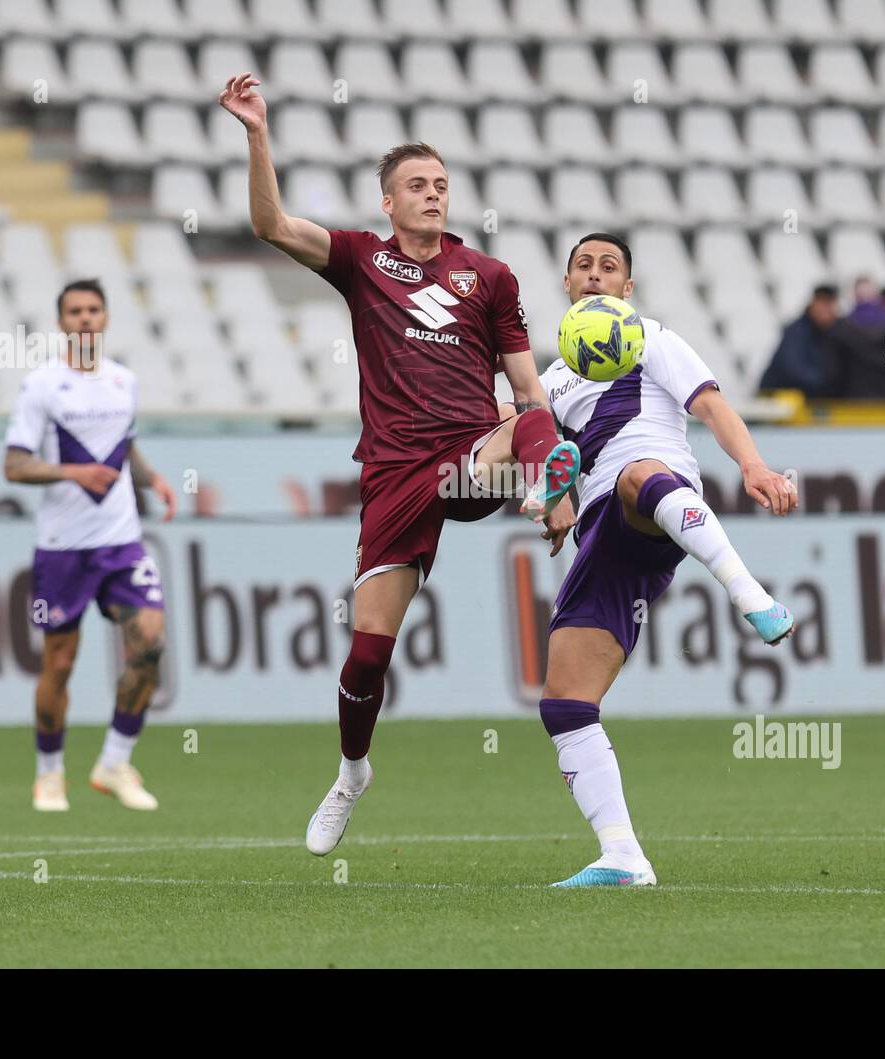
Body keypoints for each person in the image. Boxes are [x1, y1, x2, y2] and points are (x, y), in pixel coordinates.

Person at [218, 73, 580, 856]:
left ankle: (558, 497)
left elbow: (523, 387)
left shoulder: (489, 276)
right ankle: (352, 774)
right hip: (394, 472)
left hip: (470, 454)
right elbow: (271, 223)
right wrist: (256, 132)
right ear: (387, 200)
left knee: (535, 415)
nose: (432, 194)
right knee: (367, 652)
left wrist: (541, 457)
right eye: (416, 184)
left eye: (442, 185)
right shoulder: (358, 260)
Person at [523, 234, 798, 888]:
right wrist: (551, 496)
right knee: (565, 700)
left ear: (627, 287)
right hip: (604, 536)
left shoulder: (651, 340)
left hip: (656, 494)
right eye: (584, 266)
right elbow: (548, 451)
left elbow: (709, 403)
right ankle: (622, 854)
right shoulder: (552, 378)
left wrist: (753, 465)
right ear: (567, 284)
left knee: (635, 472)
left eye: (609, 266)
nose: (595, 274)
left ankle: (749, 594)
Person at [4, 279, 178, 813]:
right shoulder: (42, 386)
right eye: (75, 311)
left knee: (149, 642)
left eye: (93, 310)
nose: (84, 318)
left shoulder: (124, 381)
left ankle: (114, 762)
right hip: (63, 549)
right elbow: (14, 465)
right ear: (61, 322)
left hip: (121, 543)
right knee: (60, 662)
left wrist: (152, 478)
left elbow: (123, 445)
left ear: (105, 319)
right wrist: (72, 470)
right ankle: (50, 774)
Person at [757, 284, 838, 397]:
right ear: (813, 304)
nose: (826, 310)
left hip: (802, 399)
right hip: (776, 398)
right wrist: (828, 383)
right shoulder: (796, 331)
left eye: (829, 304)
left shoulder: (832, 333)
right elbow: (794, 369)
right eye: (822, 303)